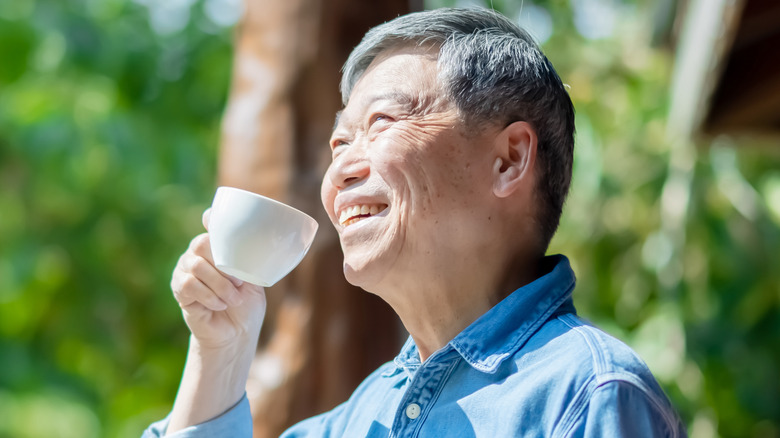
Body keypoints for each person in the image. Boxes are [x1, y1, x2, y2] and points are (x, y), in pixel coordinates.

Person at [144, 7, 686, 437]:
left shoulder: (589, 397)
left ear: (509, 161)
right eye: (339, 142)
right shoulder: (355, 420)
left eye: (380, 122)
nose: (340, 171)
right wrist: (222, 349)